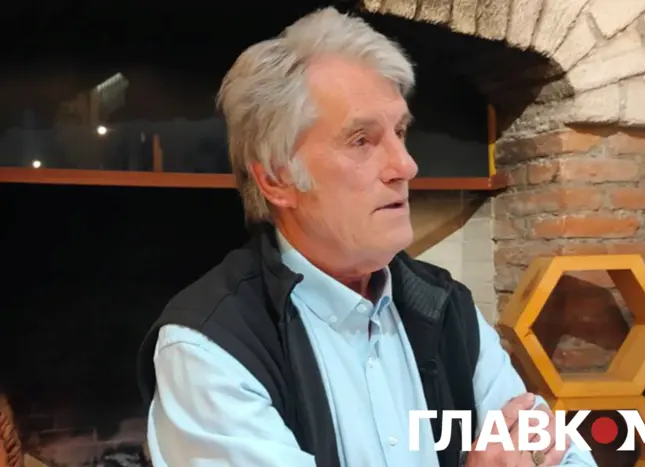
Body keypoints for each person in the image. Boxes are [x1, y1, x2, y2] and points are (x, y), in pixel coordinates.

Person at [136, 6, 599, 467]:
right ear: (277, 179)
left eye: (400, 132)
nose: (406, 166)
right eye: (361, 140)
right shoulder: (211, 346)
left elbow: (559, 453)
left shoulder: (445, 307)